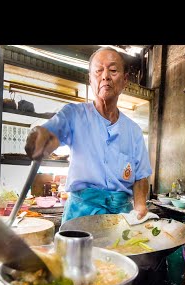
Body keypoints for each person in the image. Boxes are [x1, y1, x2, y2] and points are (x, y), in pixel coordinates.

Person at [25, 47, 152, 224]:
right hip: (80, 216)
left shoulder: (134, 131)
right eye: (98, 71)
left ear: (124, 80)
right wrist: (40, 137)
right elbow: (52, 132)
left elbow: (140, 177)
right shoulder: (73, 115)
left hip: (122, 219)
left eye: (113, 70)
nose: (105, 76)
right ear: (90, 79)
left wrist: (139, 206)